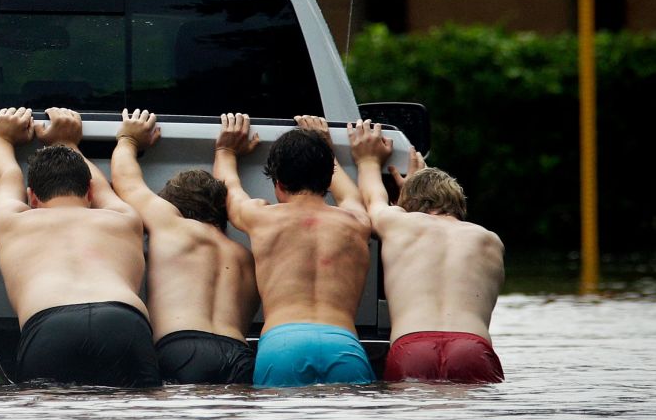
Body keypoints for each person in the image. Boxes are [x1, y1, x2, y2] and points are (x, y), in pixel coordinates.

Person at [0, 107, 161, 388]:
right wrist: (68, 142)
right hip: (123, 321)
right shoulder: (123, 219)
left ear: (31, 197)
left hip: (51, 325)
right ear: (90, 193)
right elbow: (102, 187)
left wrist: (1, 139)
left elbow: (6, 177)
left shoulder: (12, 220)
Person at [214, 113, 376, 387]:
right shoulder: (357, 222)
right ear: (328, 182)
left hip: (283, 345)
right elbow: (350, 196)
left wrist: (225, 150)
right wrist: (326, 148)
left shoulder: (261, 217)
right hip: (343, 345)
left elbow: (229, 189)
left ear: (277, 183)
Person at [348, 119, 505, 382]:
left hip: (413, 347)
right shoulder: (489, 240)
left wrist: (367, 161)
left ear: (406, 204)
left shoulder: (399, 224)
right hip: (472, 349)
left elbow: (373, 197)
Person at [111, 109, 260, 384]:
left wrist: (128, 140)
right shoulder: (248, 257)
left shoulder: (173, 227)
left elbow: (127, 183)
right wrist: (226, 152)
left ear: (173, 206)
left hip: (183, 348)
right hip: (239, 354)